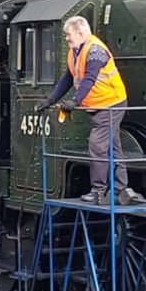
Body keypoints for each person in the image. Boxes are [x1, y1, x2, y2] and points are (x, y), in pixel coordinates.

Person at [36, 15, 129, 202]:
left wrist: (75, 101)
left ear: (80, 32)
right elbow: (68, 79)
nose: (66, 38)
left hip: (111, 103)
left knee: (98, 146)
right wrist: (50, 99)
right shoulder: (75, 52)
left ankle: (99, 191)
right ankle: (120, 189)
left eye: (68, 34)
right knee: (113, 147)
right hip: (101, 104)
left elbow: (89, 79)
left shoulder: (95, 51)